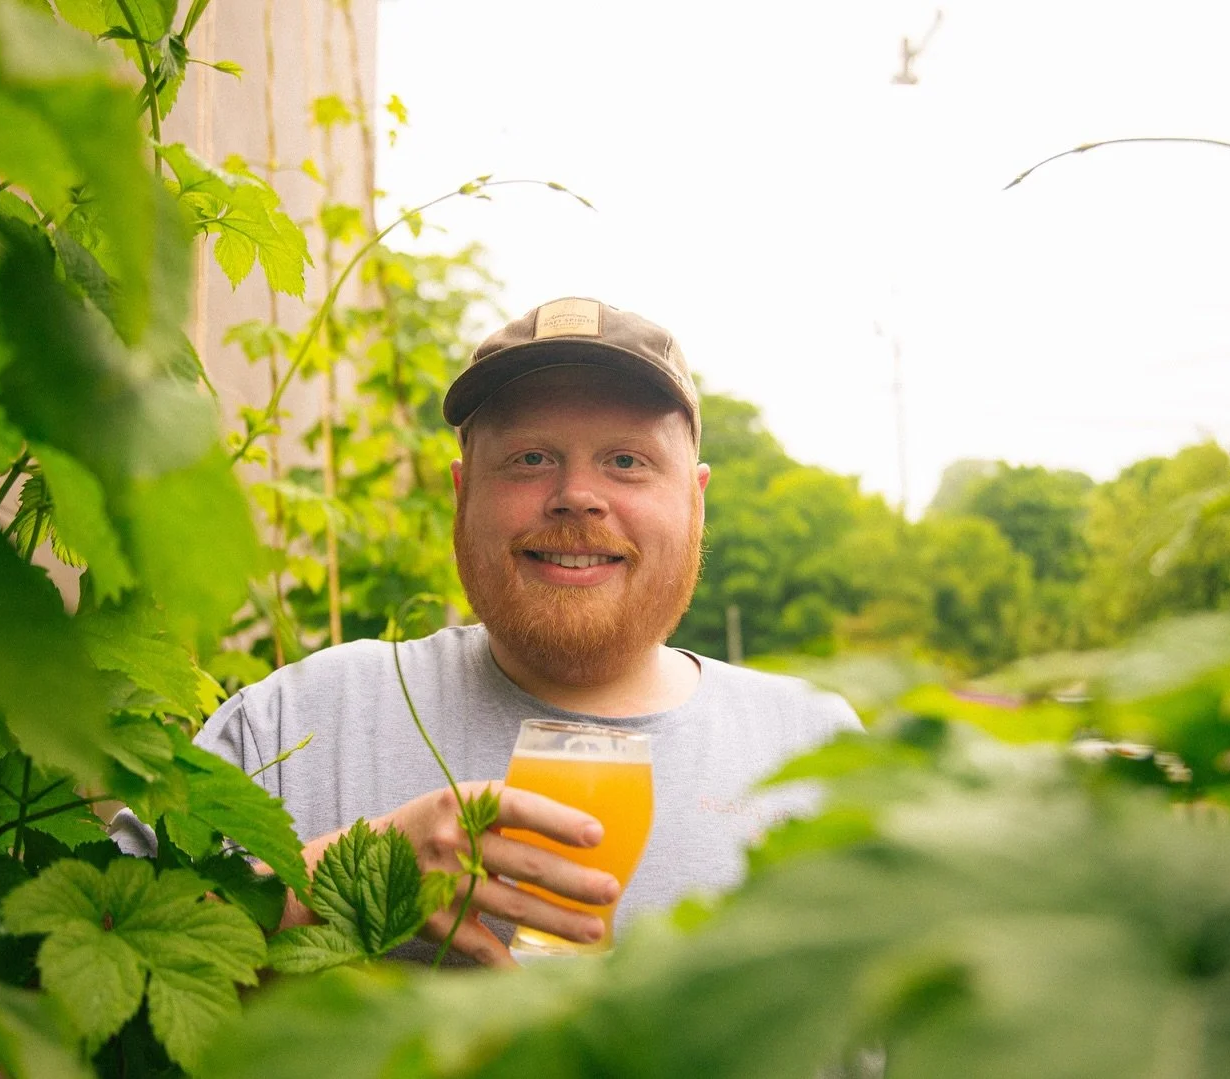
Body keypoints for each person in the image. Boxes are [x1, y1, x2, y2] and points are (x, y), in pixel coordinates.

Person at [114, 296, 860, 966]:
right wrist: (345, 879)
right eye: (530, 458)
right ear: (463, 494)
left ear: (695, 503)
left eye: (627, 461)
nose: (576, 497)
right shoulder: (294, 723)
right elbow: (76, 976)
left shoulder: (821, 755)